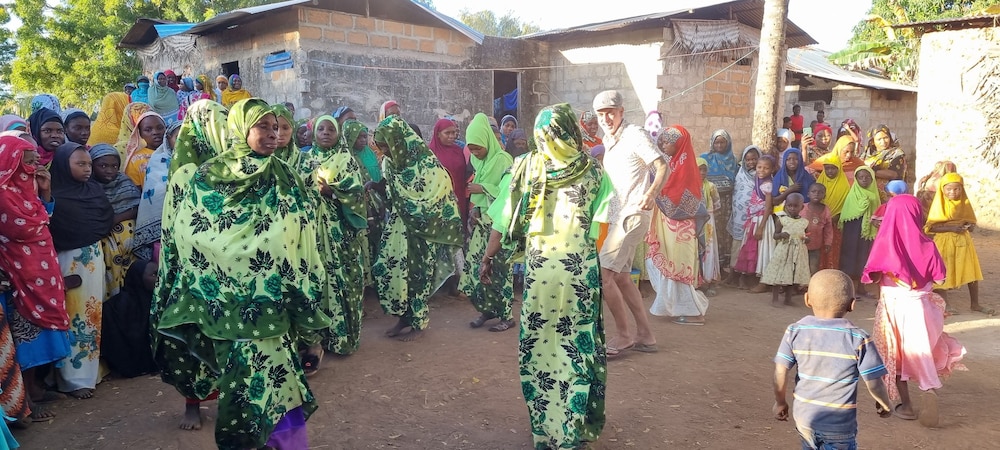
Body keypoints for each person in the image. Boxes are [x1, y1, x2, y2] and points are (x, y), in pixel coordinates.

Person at [155, 98, 329, 449]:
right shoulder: (209, 176)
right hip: (224, 303)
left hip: (274, 298)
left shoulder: (283, 174)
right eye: (263, 126)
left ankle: (283, 443)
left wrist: (277, 261)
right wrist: (238, 261)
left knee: (279, 377)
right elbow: (189, 232)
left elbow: (302, 229)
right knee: (240, 381)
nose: (273, 134)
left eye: (276, 127)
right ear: (239, 129)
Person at [482, 103, 610, 449]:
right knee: (576, 345)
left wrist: (488, 257)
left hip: (540, 275)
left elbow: (502, 221)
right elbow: (603, 224)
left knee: (541, 348)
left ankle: (547, 426)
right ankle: (573, 426)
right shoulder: (595, 171)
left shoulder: (526, 167)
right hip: (579, 275)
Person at [149, 99, 229, 432]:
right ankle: (192, 403)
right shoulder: (186, 172)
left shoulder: (234, 166)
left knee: (229, 337)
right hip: (194, 269)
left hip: (230, 266)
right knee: (195, 334)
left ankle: (229, 399)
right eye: (217, 124)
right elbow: (179, 224)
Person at [862, 195, 966, 428]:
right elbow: (940, 278)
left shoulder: (884, 243)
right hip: (922, 310)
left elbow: (873, 276)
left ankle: (907, 406)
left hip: (893, 309)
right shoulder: (928, 245)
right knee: (922, 350)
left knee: (895, 355)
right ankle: (929, 389)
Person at [773, 269, 892, 449]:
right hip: (839, 426)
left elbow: (780, 372)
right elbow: (874, 382)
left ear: (807, 299)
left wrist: (780, 402)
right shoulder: (858, 338)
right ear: (852, 304)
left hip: (804, 419)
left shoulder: (794, 331)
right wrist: (885, 403)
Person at [372, 115, 463, 341]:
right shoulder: (390, 164)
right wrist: (377, 188)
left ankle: (418, 322)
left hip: (424, 231)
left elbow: (441, 195)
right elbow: (391, 196)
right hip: (399, 227)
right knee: (391, 271)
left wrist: (414, 212)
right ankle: (403, 317)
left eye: (388, 146)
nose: (385, 151)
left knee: (418, 276)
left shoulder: (426, 163)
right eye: (382, 146)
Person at [592, 90, 668, 356]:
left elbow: (662, 165)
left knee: (603, 275)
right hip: (617, 217)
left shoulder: (635, 134)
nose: (606, 119)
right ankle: (646, 335)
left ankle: (624, 335)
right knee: (622, 277)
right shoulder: (608, 140)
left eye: (610, 113)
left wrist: (651, 193)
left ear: (621, 112)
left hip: (632, 213)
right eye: (601, 114)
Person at [0, 135, 70, 422]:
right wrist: (41, 216)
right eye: (27, 163)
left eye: (34, 162)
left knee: (43, 333)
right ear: (11, 163)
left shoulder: (28, 187)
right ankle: (25, 399)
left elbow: (46, 218)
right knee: (25, 336)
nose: (33, 168)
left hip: (42, 270)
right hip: (20, 275)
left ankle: (37, 388)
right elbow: (23, 230)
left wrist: (45, 191)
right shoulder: (4, 194)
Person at [297, 115, 367, 363]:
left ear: (338, 135)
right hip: (311, 232)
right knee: (316, 280)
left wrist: (332, 192)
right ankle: (314, 339)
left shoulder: (346, 160)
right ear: (313, 134)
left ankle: (341, 338)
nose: (326, 133)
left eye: (331, 130)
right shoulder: (305, 160)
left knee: (340, 280)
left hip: (340, 235)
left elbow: (357, 196)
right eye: (321, 129)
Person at [49, 142, 114, 399]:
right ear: (64, 165)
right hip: (67, 261)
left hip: (94, 258)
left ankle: (90, 373)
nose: (87, 169)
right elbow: (53, 231)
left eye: (88, 164)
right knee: (72, 316)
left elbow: (105, 219)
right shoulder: (54, 196)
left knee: (92, 316)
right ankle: (72, 379)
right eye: (80, 164)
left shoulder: (94, 190)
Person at [647, 126, 709, 326]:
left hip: (681, 228)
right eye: (662, 142)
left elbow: (681, 199)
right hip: (667, 225)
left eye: (667, 142)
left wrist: (658, 195)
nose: (664, 145)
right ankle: (675, 307)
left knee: (679, 266)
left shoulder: (686, 168)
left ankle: (694, 313)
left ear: (679, 143)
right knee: (665, 263)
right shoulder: (670, 164)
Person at [460, 113, 514, 332]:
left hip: (500, 225)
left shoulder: (503, 160)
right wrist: (476, 208)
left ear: (487, 142)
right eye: (471, 149)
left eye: (478, 148)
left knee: (501, 270)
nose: (474, 153)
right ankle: (487, 309)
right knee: (478, 268)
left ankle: (507, 315)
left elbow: (509, 192)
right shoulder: (478, 160)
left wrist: (483, 189)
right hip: (482, 223)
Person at [924, 173, 987, 315]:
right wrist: (951, 228)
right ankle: (946, 304)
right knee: (944, 271)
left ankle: (975, 304)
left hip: (963, 241)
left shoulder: (964, 204)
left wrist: (969, 226)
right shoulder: (939, 205)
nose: (953, 192)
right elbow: (930, 227)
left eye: (957, 189)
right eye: (949, 189)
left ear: (962, 189)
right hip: (944, 242)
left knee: (972, 270)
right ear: (942, 190)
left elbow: (971, 222)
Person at [88, 144, 140, 300]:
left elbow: (137, 206)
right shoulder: (88, 186)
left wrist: (116, 219)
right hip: (104, 243)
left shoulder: (124, 181)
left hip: (128, 247)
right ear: (92, 165)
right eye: (103, 166)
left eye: (114, 166)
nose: (109, 170)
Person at [133, 120, 182, 261]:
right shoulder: (158, 161)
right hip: (163, 229)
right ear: (168, 139)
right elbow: (156, 193)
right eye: (178, 138)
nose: (184, 142)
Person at [100, 259, 158, 378]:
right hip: (125, 366)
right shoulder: (116, 307)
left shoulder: (158, 302)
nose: (158, 278)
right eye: (153, 274)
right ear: (138, 277)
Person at [761, 193, 811, 307]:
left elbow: (807, 236)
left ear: (802, 207)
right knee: (779, 273)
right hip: (783, 251)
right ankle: (775, 299)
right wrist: (781, 235)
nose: (792, 208)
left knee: (793, 274)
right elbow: (775, 235)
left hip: (798, 252)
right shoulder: (782, 220)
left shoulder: (804, 222)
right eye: (790, 205)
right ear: (785, 206)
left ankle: (788, 299)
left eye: (796, 206)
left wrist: (807, 239)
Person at [733, 155, 775, 289]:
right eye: (759, 167)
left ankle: (763, 281)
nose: (761, 170)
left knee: (763, 249)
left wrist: (761, 227)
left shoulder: (767, 184)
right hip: (753, 219)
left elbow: (768, 207)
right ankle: (749, 280)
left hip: (763, 221)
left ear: (772, 170)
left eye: (766, 168)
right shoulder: (758, 179)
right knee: (752, 248)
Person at [839, 167, 880, 295]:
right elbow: (847, 213)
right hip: (852, 230)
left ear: (872, 179)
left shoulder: (875, 196)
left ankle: (861, 288)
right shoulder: (852, 195)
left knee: (864, 257)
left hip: (867, 232)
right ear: (856, 179)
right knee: (849, 256)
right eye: (861, 177)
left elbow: (877, 213)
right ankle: (848, 289)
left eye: (867, 177)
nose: (864, 180)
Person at [701, 129, 738, 267]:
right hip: (710, 200)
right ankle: (711, 261)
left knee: (726, 229)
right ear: (712, 143)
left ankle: (725, 261)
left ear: (728, 143)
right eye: (717, 142)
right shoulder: (706, 158)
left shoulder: (732, 160)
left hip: (728, 200)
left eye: (723, 142)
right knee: (712, 229)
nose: (719, 145)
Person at [725, 145, 759, 286]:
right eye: (748, 159)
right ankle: (733, 274)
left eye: (754, 159)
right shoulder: (740, 173)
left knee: (748, 245)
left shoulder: (761, 174)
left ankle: (744, 277)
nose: (751, 162)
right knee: (736, 244)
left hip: (752, 216)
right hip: (739, 216)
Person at [428, 118, 471, 230]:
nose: (452, 136)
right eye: (447, 133)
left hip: (459, 197)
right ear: (438, 134)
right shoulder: (430, 153)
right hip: (439, 199)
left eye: (454, 132)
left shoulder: (458, 150)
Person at [122, 111, 166, 189]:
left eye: (160, 128)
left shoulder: (176, 153)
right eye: (148, 130)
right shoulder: (135, 161)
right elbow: (136, 190)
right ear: (140, 134)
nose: (155, 132)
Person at [697, 157, 721, 296]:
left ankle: (710, 281)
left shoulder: (711, 186)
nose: (702, 172)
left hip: (708, 222)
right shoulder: (689, 186)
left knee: (709, 250)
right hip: (695, 222)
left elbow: (717, 204)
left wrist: (707, 214)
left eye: (704, 169)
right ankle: (699, 281)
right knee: (697, 251)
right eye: (699, 169)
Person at [864, 125, 906, 202]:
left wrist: (872, 171)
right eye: (879, 139)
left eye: (886, 138)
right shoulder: (867, 154)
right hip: (869, 193)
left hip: (889, 192)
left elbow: (894, 174)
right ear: (872, 141)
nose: (883, 142)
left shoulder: (896, 153)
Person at [803, 184, 833, 276]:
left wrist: (828, 243)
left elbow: (828, 228)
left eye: (820, 192)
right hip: (800, 245)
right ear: (808, 194)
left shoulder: (826, 210)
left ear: (824, 195)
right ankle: (797, 284)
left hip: (816, 246)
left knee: (813, 267)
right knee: (799, 267)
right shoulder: (802, 207)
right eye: (813, 192)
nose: (816, 194)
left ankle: (811, 283)